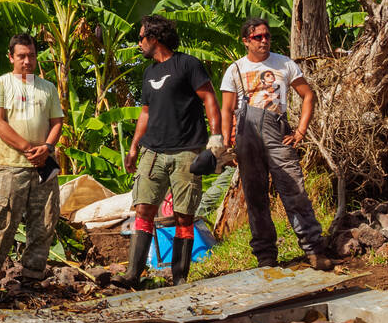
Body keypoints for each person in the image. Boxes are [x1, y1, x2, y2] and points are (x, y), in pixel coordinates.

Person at [220, 18, 334, 271]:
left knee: (295, 192)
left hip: (277, 134)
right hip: (246, 139)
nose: (264, 41)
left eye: (267, 36)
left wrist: (301, 131)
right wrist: (228, 144)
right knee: (256, 197)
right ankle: (266, 257)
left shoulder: (284, 64)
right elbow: (227, 109)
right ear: (246, 41)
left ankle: (314, 250)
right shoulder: (235, 70)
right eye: (258, 37)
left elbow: (308, 95)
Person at [123, 15, 223, 287]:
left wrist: (216, 137)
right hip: (152, 152)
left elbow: (209, 99)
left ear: (154, 38)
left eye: (141, 37)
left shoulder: (188, 64)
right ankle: (133, 275)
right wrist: (134, 147)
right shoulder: (148, 73)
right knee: (143, 209)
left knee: (184, 215)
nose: (139, 43)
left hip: (186, 151)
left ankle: (179, 277)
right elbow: (145, 113)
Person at [0, 33, 64, 288]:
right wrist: (28, 148)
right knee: (2, 221)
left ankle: (32, 277)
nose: (27, 61)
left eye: (32, 56)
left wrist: (46, 147)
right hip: (11, 164)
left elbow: (57, 122)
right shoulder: (0, 85)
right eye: (22, 56)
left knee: (45, 221)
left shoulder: (47, 88)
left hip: (44, 165)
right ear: (11, 57)